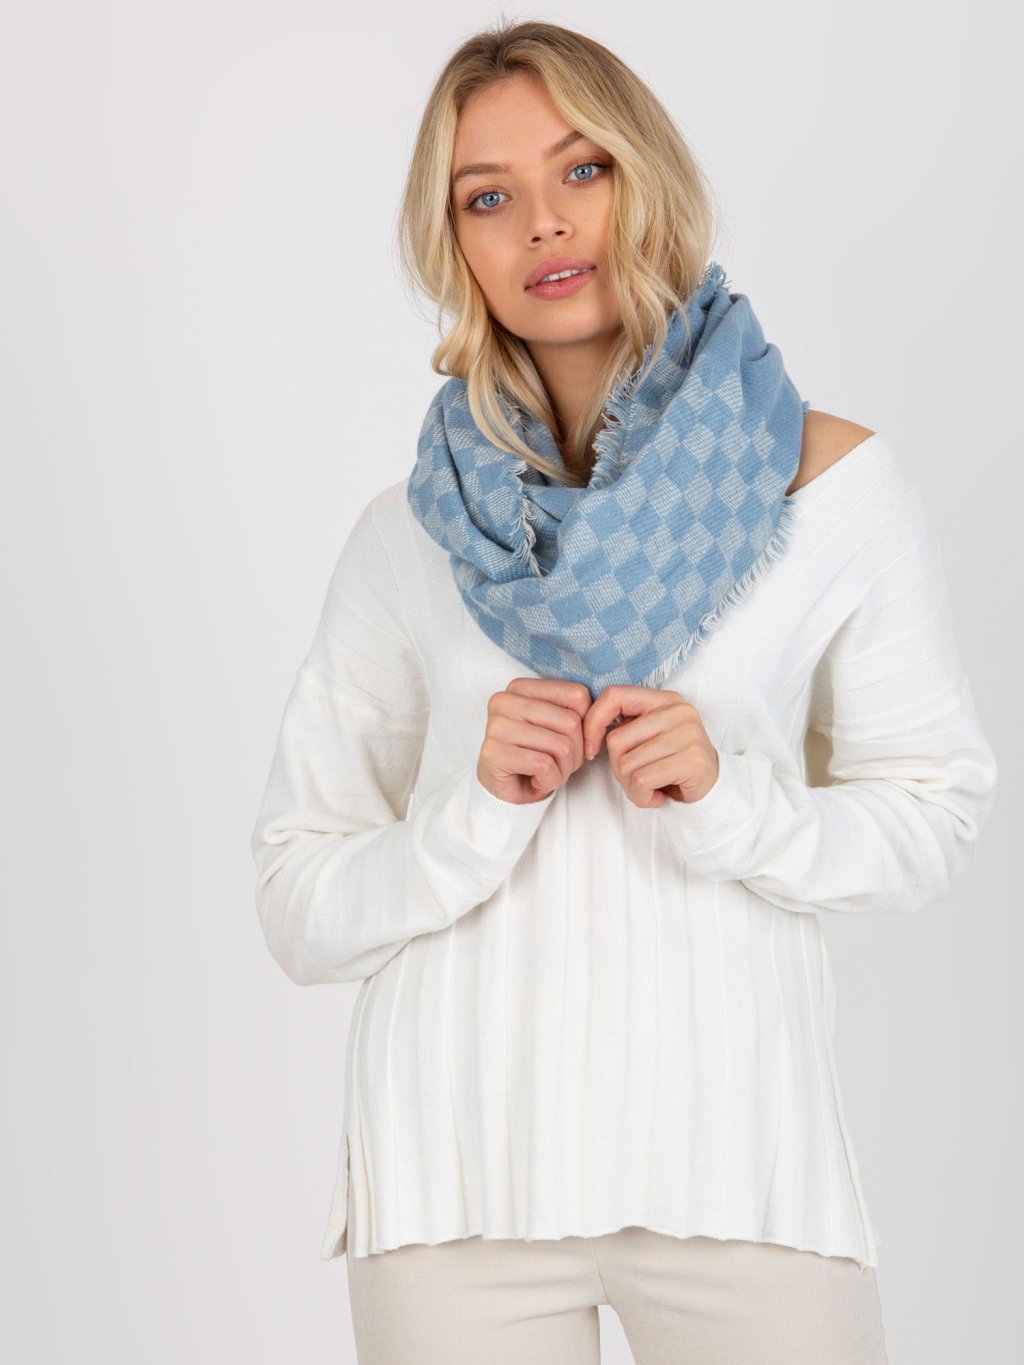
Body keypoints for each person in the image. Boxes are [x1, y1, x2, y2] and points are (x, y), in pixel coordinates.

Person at [249, 19, 999, 1365]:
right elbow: (300, 901)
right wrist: (474, 812)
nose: (545, 221)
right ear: (453, 244)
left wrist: (730, 799)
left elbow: (930, 817)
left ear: (646, 175)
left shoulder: (830, 490)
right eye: (488, 197)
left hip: (740, 1175)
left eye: (582, 169)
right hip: (453, 1191)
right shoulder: (412, 532)